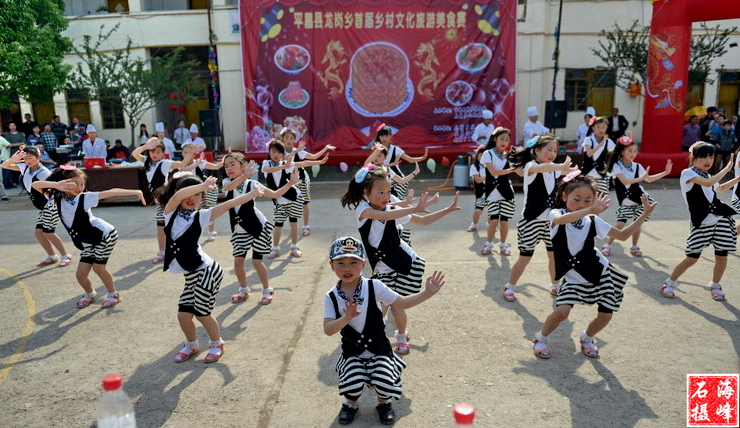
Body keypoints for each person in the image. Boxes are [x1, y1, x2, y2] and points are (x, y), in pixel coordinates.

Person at [531, 175, 657, 360]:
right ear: (564, 196)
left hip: (600, 271)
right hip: (574, 276)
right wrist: (590, 209)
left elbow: (622, 236)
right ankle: (541, 338)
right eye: (576, 199)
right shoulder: (556, 214)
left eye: (588, 200)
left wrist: (644, 214)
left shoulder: (592, 220)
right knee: (562, 312)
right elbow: (561, 220)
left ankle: (587, 338)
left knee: (606, 315)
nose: (581, 204)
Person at [323, 236, 446, 425]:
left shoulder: (374, 286)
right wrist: (346, 318)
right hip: (352, 352)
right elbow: (328, 329)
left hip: (379, 349)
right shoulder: (331, 296)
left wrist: (428, 292)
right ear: (331, 265)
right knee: (352, 383)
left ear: (363, 264)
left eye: (353, 262)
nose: (347, 268)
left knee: (385, 380)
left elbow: (402, 302)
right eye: (341, 262)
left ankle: (383, 403)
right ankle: (350, 404)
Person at [340, 166, 460, 355]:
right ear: (366, 193)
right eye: (380, 192)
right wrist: (414, 207)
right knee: (379, 309)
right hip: (383, 269)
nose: (386, 196)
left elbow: (423, 221)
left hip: (405, 264)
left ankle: (402, 335)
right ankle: (372, 340)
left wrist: (447, 209)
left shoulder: (392, 210)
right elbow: (383, 215)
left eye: (388, 191)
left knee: (397, 307)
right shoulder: (362, 210)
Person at [155, 174, 263, 363]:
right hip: (191, 273)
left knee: (201, 312)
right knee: (183, 315)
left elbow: (228, 204)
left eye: (198, 195)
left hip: (207, 271)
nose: (193, 198)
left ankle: (217, 343)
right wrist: (202, 186)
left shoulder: (201, 216)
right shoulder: (170, 213)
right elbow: (177, 196)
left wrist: (252, 194)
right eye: (190, 193)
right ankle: (192, 345)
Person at [32, 166, 146, 309]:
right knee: (80, 274)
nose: (80, 187)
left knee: (98, 267)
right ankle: (90, 294)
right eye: (75, 184)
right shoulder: (56, 198)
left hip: (104, 235)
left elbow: (110, 192)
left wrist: (136, 192)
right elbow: (35, 185)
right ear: (64, 183)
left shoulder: (85, 198)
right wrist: (56, 185)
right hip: (88, 241)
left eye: (82, 183)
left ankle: (113, 294)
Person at [660, 142, 740, 301]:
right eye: (703, 157)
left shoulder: (709, 176)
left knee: (722, 256)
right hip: (702, 221)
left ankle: (715, 285)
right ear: (693, 158)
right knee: (692, 257)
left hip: (721, 218)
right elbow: (707, 184)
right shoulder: (687, 173)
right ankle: (669, 282)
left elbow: (720, 189)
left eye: (711, 157)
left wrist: (738, 178)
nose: (708, 160)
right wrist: (726, 169)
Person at [501, 136, 576, 301]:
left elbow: (563, 171)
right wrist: (562, 166)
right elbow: (545, 167)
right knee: (525, 257)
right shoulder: (531, 166)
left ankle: (555, 285)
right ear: (536, 151)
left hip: (551, 221)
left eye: (555, 150)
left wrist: (573, 170)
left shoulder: (553, 169)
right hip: (531, 220)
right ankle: (510, 286)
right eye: (549, 149)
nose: (553, 153)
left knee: (554, 256)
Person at [222, 152, 299, 305]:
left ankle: (267, 290)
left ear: (243, 166)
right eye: (226, 166)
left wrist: (290, 183)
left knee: (257, 262)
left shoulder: (252, 184)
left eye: (232, 164)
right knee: (238, 262)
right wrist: (244, 176)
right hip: (239, 230)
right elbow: (229, 187)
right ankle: (244, 290)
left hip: (258, 228)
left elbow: (275, 194)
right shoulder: (226, 182)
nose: (228, 168)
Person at [601, 133, 672, 257]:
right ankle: (608, 245)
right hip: (626, 199)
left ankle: (634, 246)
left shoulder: (637, 166)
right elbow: (625, 181)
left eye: (635, 151)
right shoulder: (617, 165)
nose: (633, 153)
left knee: (637, 223)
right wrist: (641, 178)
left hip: (640, 197)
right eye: (630, 151)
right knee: (620, 224)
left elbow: (648, 179)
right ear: (622, 152)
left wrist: (665, 172)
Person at [2, 146, 71, 265]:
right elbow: (4, 166)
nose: (28, 161)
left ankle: (65, 255)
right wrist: (12, 160)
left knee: (48, 232)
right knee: (39, 233)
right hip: (44, 207)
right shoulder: (25, 167)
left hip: (52, 205)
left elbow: (54, 190)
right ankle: (52, 256)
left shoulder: (44, 172)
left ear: (38, 157)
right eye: (25, 158)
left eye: (31, 158)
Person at [132, 137, 194, 263]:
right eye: (152, 151)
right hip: (158, 200)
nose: (155, 154)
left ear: (163, 153)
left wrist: (192, 153)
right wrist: (145, 146)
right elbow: (134, 154)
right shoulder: (147, 161)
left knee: (172, 225)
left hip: (167, 197)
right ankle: (162, 252)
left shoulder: (165, 163)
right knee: (161, 226)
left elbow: (182, 164)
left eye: (158, 152)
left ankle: (178, 250)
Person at [261, 140, 326, 258]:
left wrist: (320, 161)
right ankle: (275, 248)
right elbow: (267, 170)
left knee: (293, 223)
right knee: (278, 225)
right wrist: (284, 166)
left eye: (279, 152)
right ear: (269, 152)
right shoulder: (267, 163)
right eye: (273, 151)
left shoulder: (286, 164)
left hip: (293, 198)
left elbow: (303, 164)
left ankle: (294, 247)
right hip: (279, 200)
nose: (276, 155)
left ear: (283, 154)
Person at [280, 127, 336, 236]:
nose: (289, 140)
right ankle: (293, 226)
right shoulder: (280, 152)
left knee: (304, 204)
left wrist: (325, 148)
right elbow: (284, 159)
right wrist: (296, 151)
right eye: (286, 138)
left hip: (301, 180)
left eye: (291, 138)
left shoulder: (298, 152)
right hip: (288, 181)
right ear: (282, 139)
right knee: (290, 204)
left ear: (294, 140)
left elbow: (314, 157)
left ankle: (305, 226)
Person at [480, 127, 518, 255]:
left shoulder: (509, 155)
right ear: (495, 139)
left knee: (504, 221)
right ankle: (489, 244)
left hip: (506, 192)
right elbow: (493, 172)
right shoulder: (488, 153)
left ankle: (503, 245)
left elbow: (520, 172)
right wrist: (511, 170)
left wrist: (523, 159)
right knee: (494, 220)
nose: (504, 142)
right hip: (492, 192)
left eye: (507, 140)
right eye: (502, 139)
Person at [179, 142, 223, 241]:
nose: (187, 154)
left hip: (205, 190)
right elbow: (185, 169)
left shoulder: (199, 162)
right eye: (185, 152)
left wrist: (226, 158)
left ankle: (211, 232)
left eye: (189, 152)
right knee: (193, 212)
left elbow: (216, 166)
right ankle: (192, 232)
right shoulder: (180, 164)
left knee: (209, 210)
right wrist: (198, 163)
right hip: (190, 192)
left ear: (194, 153)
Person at [374, 125, 427, 199]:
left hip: (396, 179)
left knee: (395, 200)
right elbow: (375, 167)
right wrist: (393, 164)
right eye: (382, 136)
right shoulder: (376, 150)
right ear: (379, 137)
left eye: (386, 136)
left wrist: (423, 157)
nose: (384, 138)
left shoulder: (395, 149)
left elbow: (410, 159)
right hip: (381, 178)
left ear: (390, 136)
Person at [581, 116, 615, 194]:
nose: (601, 129)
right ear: (593, 128)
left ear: (606, 128)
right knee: (587, 195)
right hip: (588, 172)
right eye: (598, 127)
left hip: (601, 173)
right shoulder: (588, 139)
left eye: (603, 127)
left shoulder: (608, 141)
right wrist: (601, 144)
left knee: (603, 196)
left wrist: (627, 139)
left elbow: (616, 153)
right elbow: (589, 154)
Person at [467, 146, 487, 233]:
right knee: (478, 211)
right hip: (481, 193)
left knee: (492, 212)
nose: (482, 157)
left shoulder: (491, 166)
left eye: (484, 156)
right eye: (480, 155)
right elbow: (478, 180)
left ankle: (491, 225)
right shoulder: (474, 166)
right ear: (477, 155)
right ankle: (474, 224)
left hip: (493, 191)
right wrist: (490, 176)